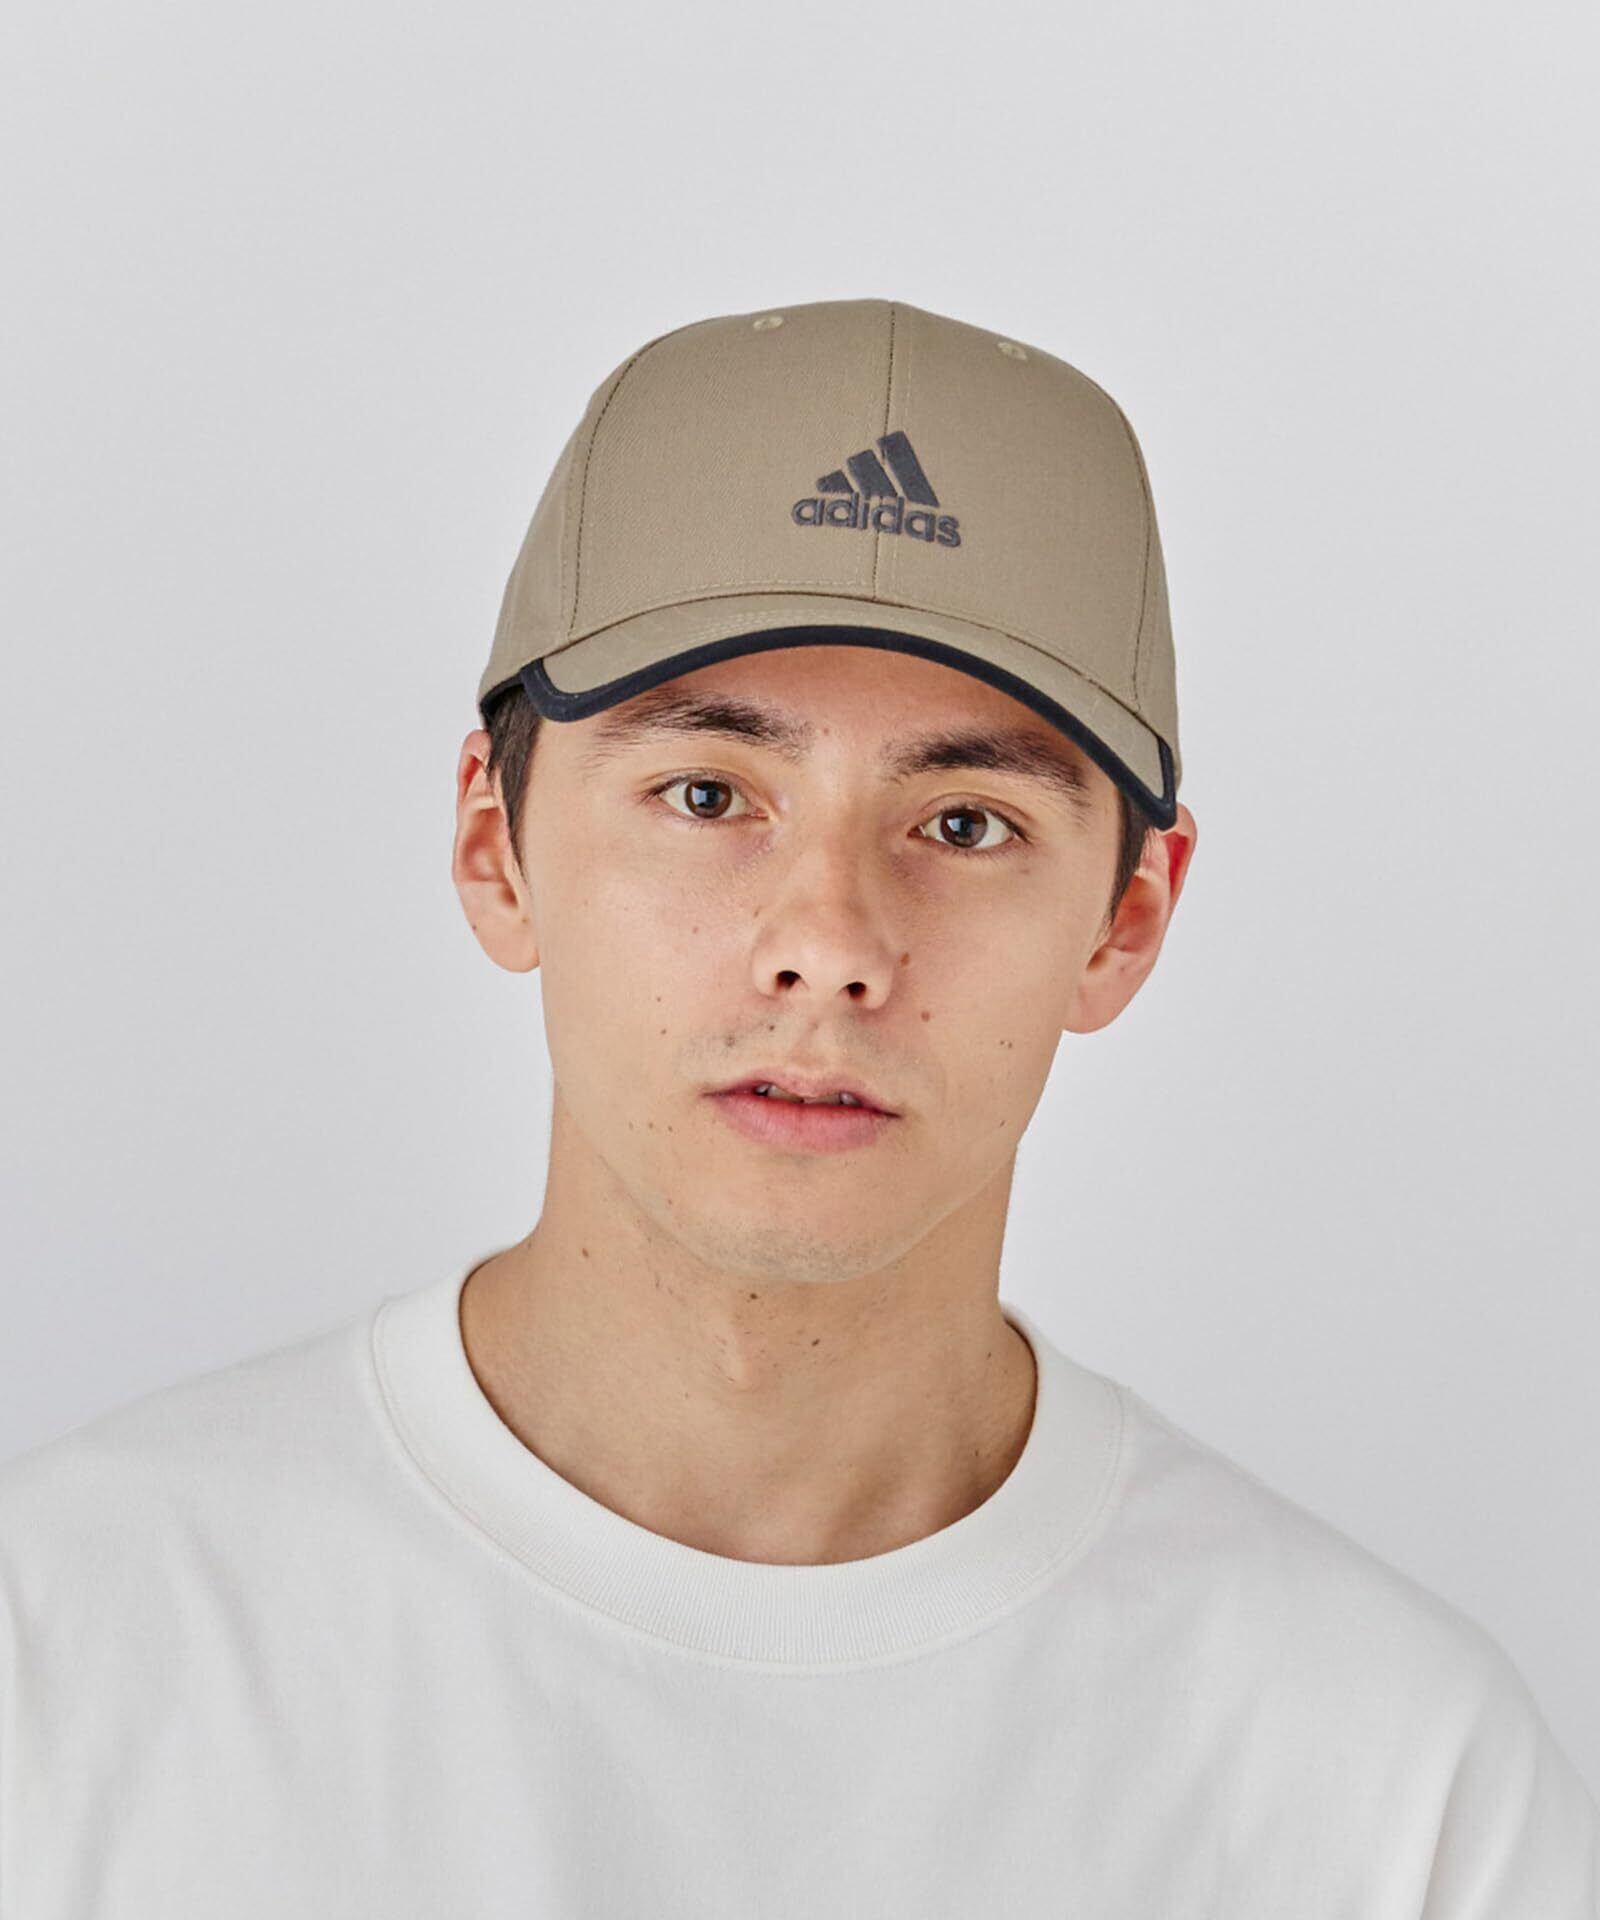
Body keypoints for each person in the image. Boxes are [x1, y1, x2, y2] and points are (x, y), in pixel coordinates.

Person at [1, 297, 1594, 1916]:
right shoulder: (64, 1659)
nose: (828, 943)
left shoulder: (1394, 1796)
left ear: (1127, 920)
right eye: (708, 796)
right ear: (496, 848)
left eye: (965, 824)